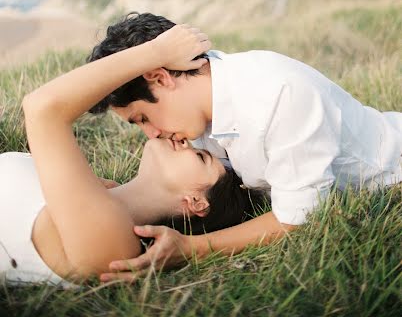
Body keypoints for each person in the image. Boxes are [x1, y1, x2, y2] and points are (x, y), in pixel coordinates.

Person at [86, 12, 402, 283]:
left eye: (143, 118)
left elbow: (299, 217)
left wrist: (191, 248)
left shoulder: (278, 95)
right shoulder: (199, 101)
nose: (152, 135)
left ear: (160, 78)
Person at [0, 25, 263, 286]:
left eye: (200, 158)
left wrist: (157, 52)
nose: (184, 142)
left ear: (196, 202)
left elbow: (42, 108)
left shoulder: (111, 241)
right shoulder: (97, 192)